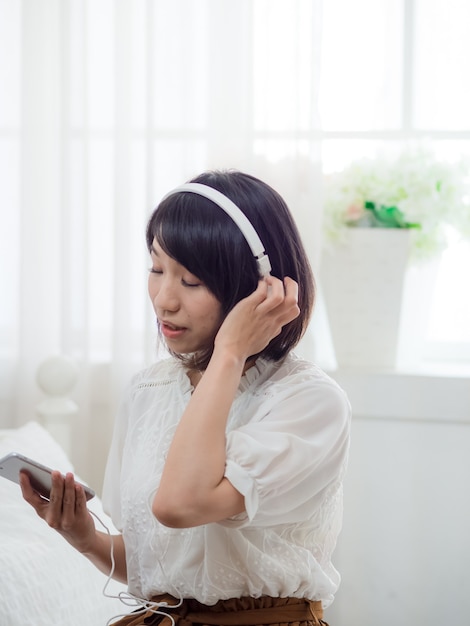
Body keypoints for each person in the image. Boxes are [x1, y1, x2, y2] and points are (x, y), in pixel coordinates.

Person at [20, 169, 351, 626]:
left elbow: (180, 505)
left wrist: (232, 350)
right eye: (157, 269)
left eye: (190, 281)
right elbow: (167, 569)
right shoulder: (148, 391)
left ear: (259, 287)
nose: (163, 300)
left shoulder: (309, 403)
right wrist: (86, 538)